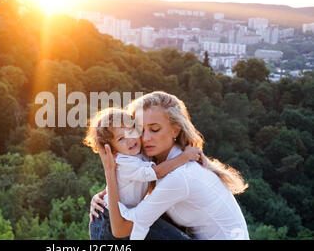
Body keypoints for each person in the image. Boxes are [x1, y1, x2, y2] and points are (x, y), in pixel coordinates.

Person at [89, 91, 250, 240]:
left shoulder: (180, 176)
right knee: (122, 215)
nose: (145, 138)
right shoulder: (168, 163)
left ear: (175, 130)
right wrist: (104, 199)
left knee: (110, 222)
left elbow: (120, 230)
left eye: (154, 129)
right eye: (138, 129)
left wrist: (109, 172)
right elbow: (132, 187)